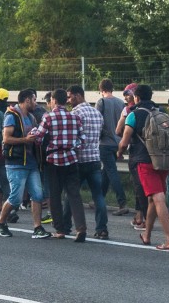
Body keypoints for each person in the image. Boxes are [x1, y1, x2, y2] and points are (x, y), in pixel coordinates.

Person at [117, 84, 169, 250]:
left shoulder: (133, 115)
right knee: (152, 199)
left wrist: (119, 152)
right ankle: (147, 235)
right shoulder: (162, 113)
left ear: (136, 97)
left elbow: (124, 141)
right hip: (163, 162)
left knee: (157, 198)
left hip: (144, 161)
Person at [0, 88, 50, 239]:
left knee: (38, 195)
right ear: (26, 100)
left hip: (32, 162)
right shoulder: (12, 115)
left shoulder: (31, 117)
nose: (35, 103)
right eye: (34, 100)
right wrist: (25, 140)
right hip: (16, 163)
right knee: (16, 198)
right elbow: (6, 139)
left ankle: (37, 228)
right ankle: (0, 222)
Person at [31, 88, 83, 240]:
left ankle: (60, 230)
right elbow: (82, 139)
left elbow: (39, 138)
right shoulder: (75, 117)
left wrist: (34, 132)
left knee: (54, 195)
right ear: (65, 101)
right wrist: (72, 147)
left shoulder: (48, 117)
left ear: (53, 100)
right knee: (74, 195)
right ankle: (81, 228)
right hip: (71, 159)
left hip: (53, 160)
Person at [70, 85, 109, 240]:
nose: (68, 99)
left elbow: (74, 137)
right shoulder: (97, 113)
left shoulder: (76, 113)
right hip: (94, 159)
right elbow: (100, 134)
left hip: (79, 160)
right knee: (98, 196)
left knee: (72, 194)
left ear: (78, 95)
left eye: (70, 96)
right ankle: (102, 229)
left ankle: (66, 225)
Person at [116, 83, 147, 229]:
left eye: (127, 93)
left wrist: (121, 150)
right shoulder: (159, 110)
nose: (126, 96)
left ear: (135, 95)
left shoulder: (129, 111)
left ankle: (142, 217)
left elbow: (118, 131)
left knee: (139, 186)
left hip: (138, 154)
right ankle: (145, 216)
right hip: (158, 155)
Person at [95, 79, 128, 215]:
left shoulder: (101, 102)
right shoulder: (121, 103)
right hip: (118, 142)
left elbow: (97, 121)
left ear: (101, 90)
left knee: (111, 172)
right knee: (106, 172)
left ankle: (122, 202)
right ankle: (99, 199)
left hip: (105, 143)